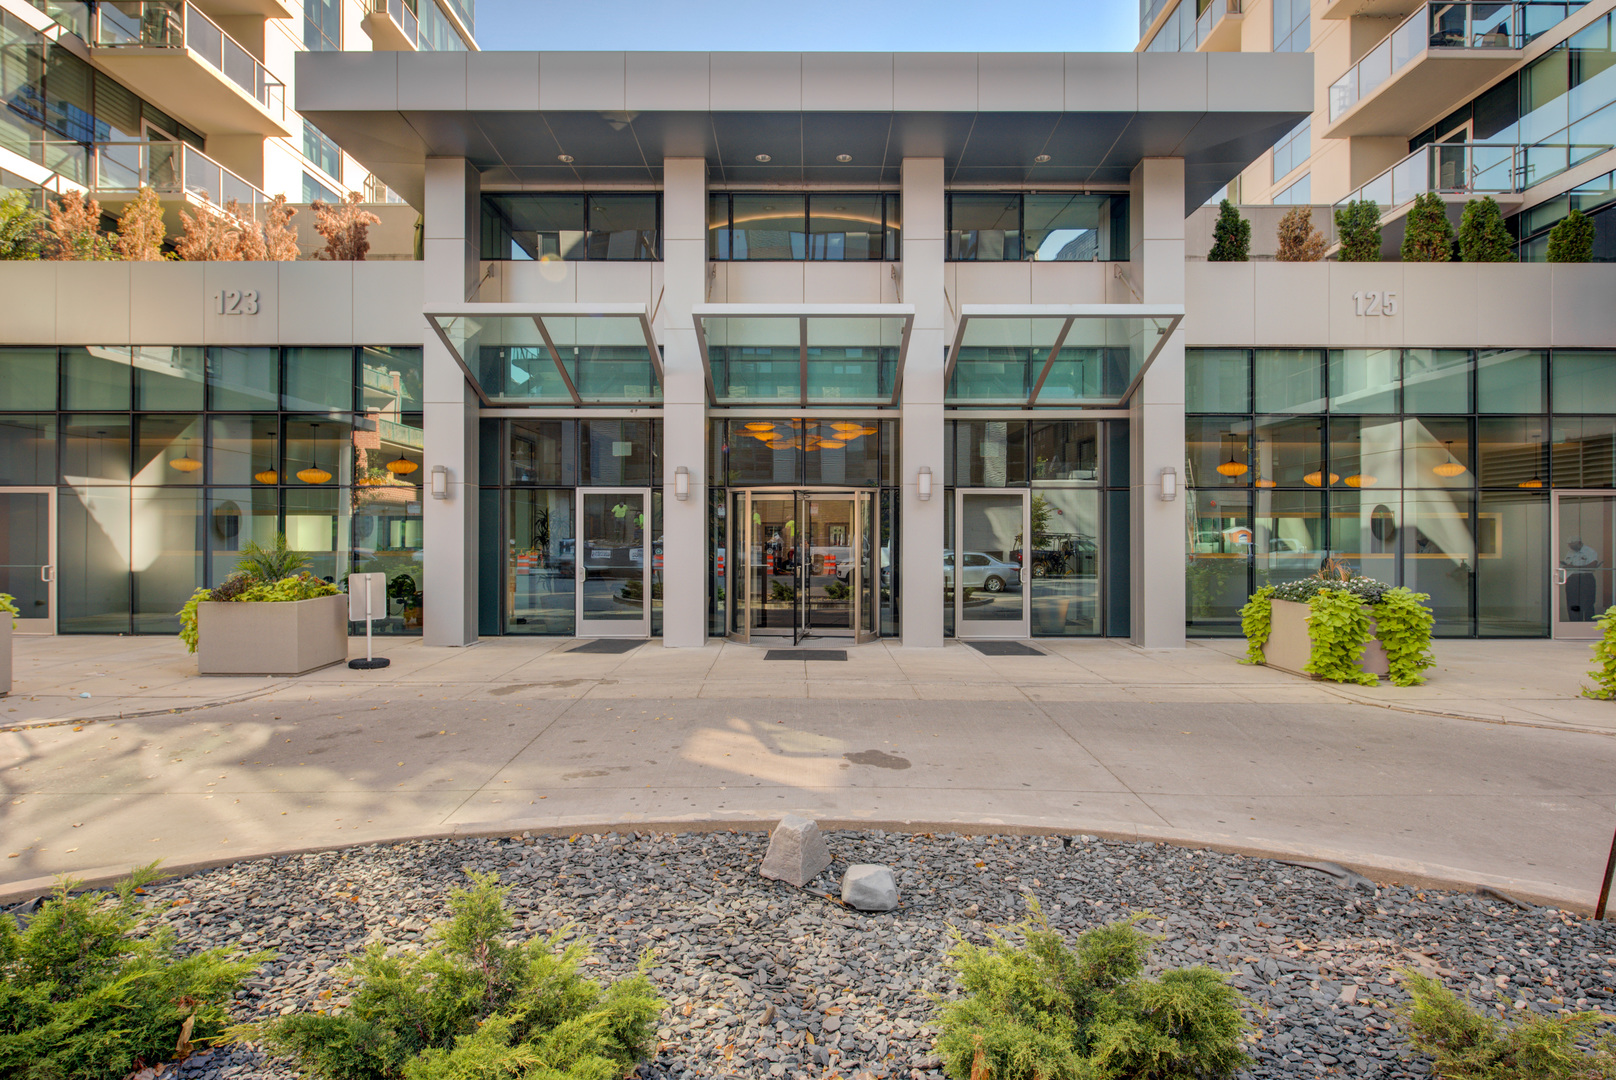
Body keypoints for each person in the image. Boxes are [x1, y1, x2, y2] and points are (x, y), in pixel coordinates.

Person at [1563, 537, 1601, 621]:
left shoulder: (1589, 551)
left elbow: (1592, 566)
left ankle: (1588, 624)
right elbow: (1567, 563)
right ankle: (1574, 623)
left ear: (1579, 543)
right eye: (1569, 545)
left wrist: (1574, 567)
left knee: (1587, 603)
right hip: (1572, 579)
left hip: (1585, 578)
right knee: (1572, 603)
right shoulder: (1570, 552)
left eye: (1572, 545)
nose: (1570, 547)